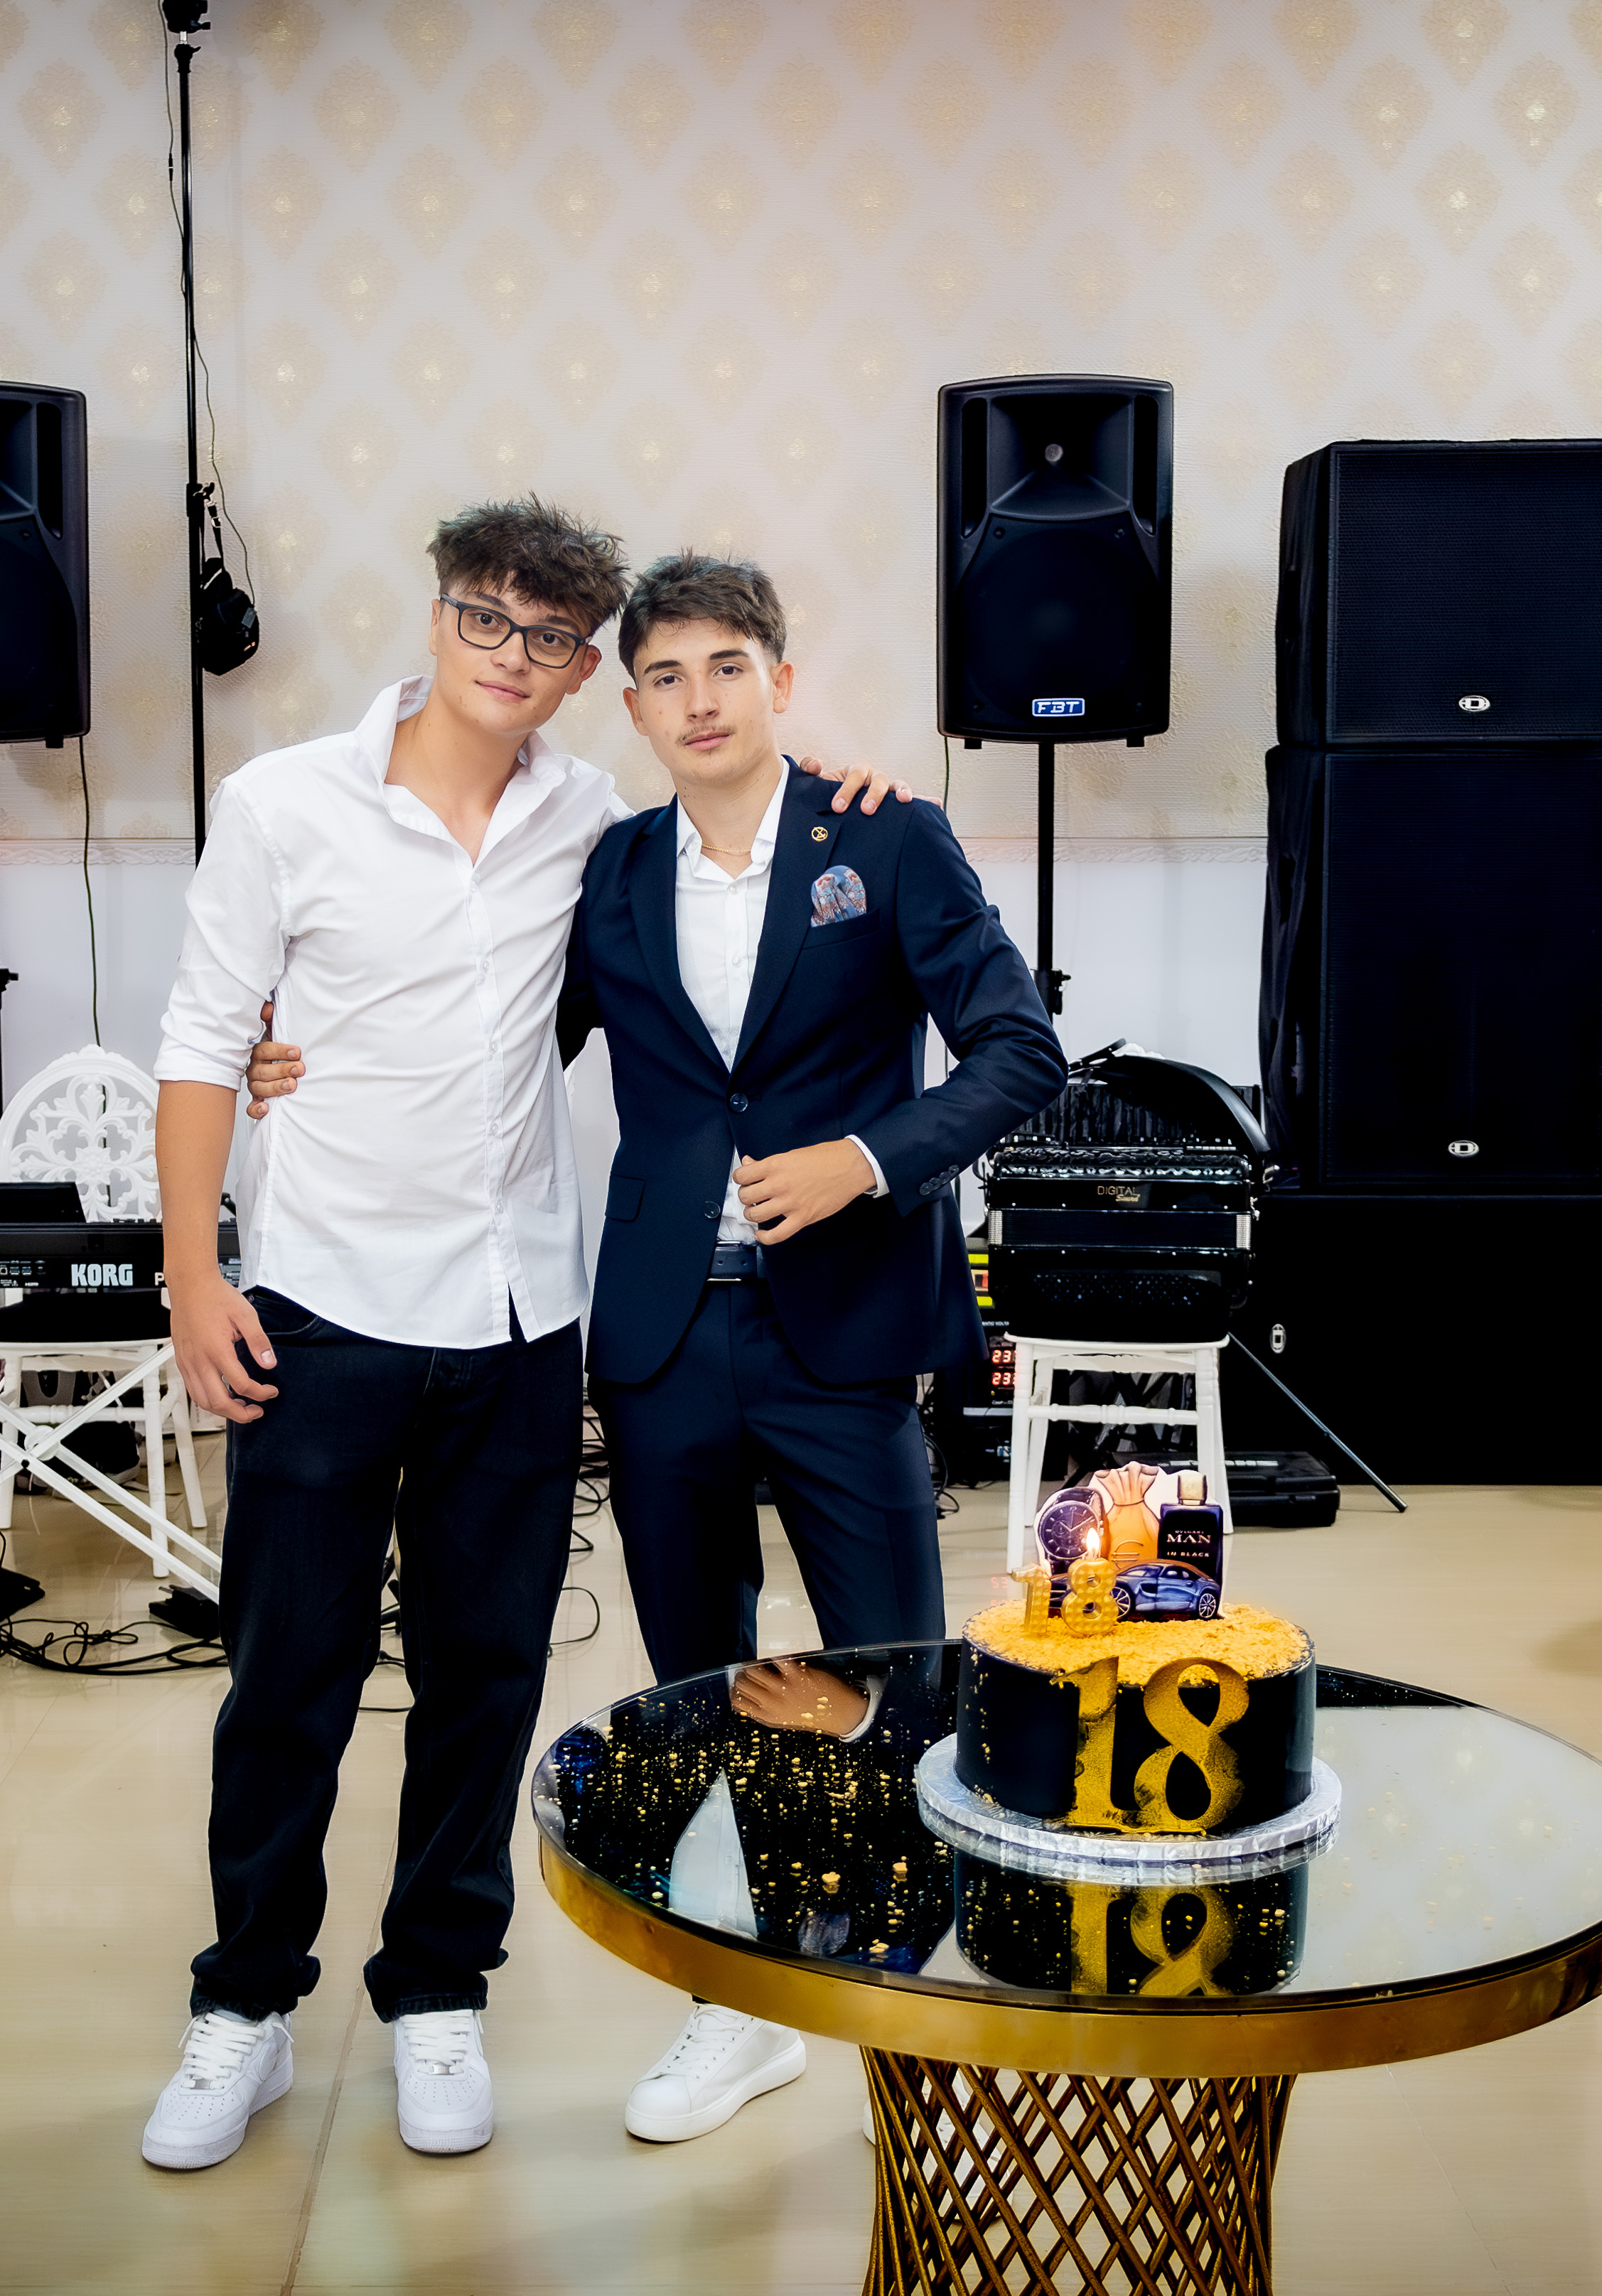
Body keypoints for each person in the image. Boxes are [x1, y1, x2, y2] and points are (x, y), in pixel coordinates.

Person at [247, 551, 1060, 2143]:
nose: (698, 701)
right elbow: (481, 1025)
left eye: (726, 668)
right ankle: (741, 2002)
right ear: (630, 707)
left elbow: (1017, 1049)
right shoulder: (607, 868)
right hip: (663, 1335)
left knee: (889, 1674)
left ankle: (920, 2015)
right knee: (704, 1676)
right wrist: (300, 1053)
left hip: (841, 1331)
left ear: (780, 680)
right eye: (666, 676)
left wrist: (866, 1159)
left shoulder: (886, 837)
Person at [139, 501, 907, 2172]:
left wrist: (844, 792)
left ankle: (437, 1992)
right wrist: (194, 1272)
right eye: (484, 619)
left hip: (515, 1319)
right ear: (436, 618)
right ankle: (244, 2002)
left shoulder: (593, 832)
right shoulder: (281, 804)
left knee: (484, 1675)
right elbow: (202, 1037)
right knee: (287, 1676)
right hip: (319, 1302)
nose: (510, 656)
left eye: (548, 638)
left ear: (578, 677)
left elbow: (709, 902)